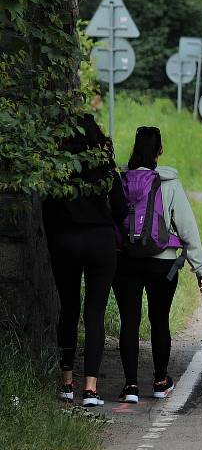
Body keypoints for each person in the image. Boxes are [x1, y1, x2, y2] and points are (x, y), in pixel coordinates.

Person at [113, 126, 202, 404]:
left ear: (134, 149)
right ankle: (160, 382)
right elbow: (187, 227)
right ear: (160, 150)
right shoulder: (169, 182)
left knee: (129, 322)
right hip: (162, 263)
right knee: (159, 320)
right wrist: (199, 268)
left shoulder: (122, 181)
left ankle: (130, 386)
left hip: (126, 260)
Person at [42, 114, 126, 407]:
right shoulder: (105, 169)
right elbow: (121, 208)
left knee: (68, 309)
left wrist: (57, 238)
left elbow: (47, 211)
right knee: (94, 315)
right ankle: (90, 389)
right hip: (100, 242)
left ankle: (66, 383)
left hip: (65, 240)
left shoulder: (59, 169)